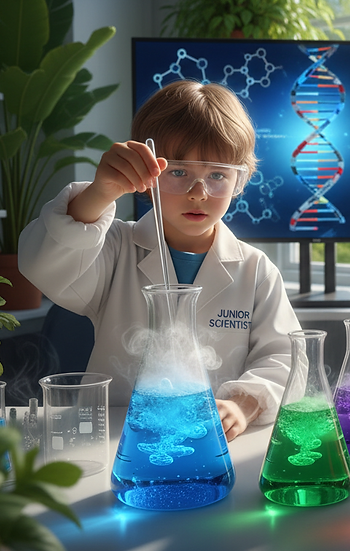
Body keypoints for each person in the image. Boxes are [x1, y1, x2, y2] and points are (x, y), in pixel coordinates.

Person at [19, 80, 301, 440]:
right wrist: (100, 192)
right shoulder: (115, 246)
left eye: (217, 175)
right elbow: (41, 264)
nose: (198, 193)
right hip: (120, 438)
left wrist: (242, 405)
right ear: (147, 175)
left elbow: (284, 356)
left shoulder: (255, 269)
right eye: (178, 172)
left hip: (213, 440)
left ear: (240, 180)